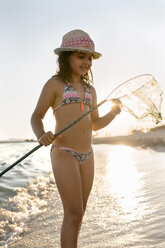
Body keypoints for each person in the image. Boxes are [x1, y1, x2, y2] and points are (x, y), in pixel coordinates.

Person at [31, 29, 121, 248]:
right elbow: (36, 116)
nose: (87, 62)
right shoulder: (55, 84)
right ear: (66, 57)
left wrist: (113, 112)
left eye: (90, 57)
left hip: (87, 154)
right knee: (73, 212)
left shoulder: (91, 89)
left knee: (79, 215)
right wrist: (41, 134)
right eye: (81, 56)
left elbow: (94, 124)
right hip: (64, 153)